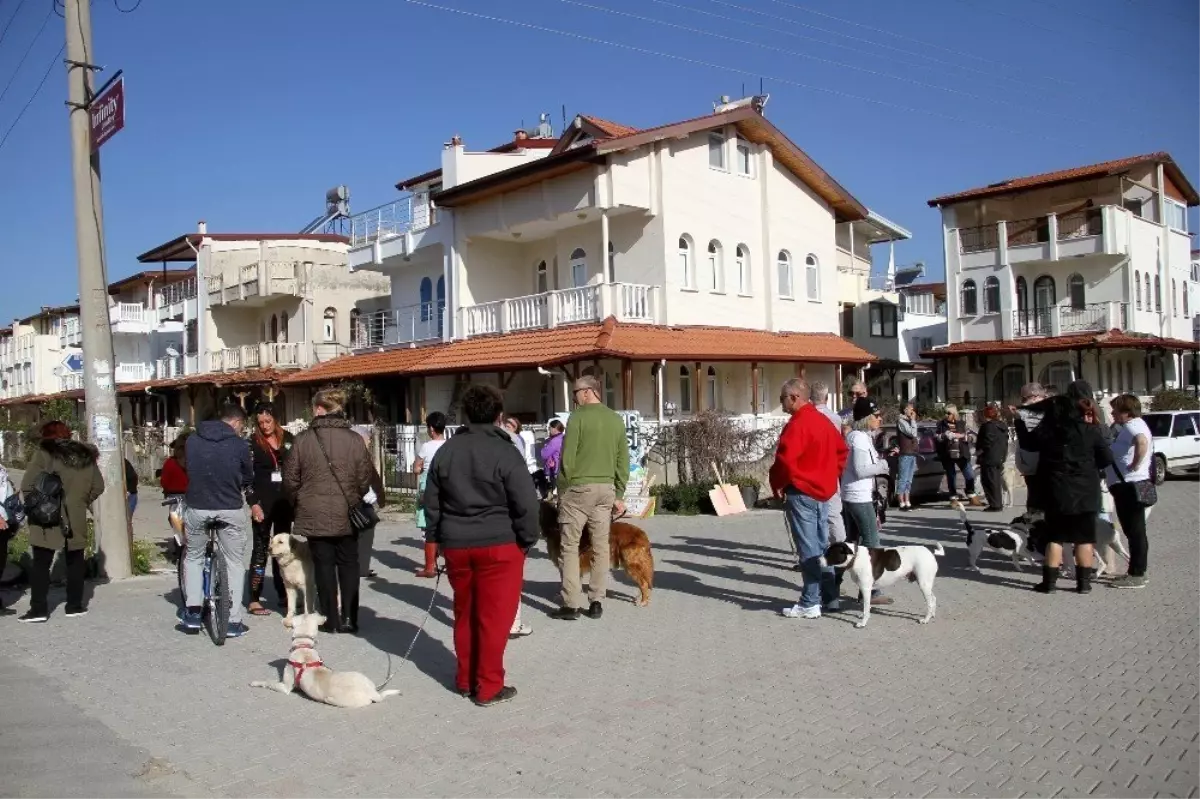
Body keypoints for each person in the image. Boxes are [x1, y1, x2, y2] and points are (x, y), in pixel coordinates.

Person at [422, 384, 540, 707]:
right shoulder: (505, 451)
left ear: (465, 414)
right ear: (499, 416)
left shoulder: (447, 451)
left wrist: (434, 540)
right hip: (500, 544)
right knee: (494, 618)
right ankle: (487, 685)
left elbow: (430, 502)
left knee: (465, 612)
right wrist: (528, 538)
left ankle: (465, 678)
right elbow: (527, 502)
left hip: (458, 544)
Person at [283, 389, 373, 634]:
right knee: (349, 563)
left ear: (320, 409)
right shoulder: (355, 440)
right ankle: (350, 618)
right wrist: (353, 497)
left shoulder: (302, 440)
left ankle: (330, 619)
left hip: (315, 512)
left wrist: (300, 500)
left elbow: (290, 479)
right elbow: (364, 479)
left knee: (323, 564)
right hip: (348, 512)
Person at [1013, 380, 1113, 594]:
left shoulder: (1049, 434)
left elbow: (1028, 443)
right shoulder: (1091, 431)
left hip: (1057, 491)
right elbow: (1106, 459)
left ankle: (1049, 584)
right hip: (1086, 492)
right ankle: (1084, 584)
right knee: (1085, 539)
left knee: (1055, 538)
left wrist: (1023, 414)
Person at [552, 375, 630, 621]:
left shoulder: (578, 418)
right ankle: (596, 600)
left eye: (575, 392)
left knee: (570, 546)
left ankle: (571, 604)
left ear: (588, 392)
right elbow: (623, 460)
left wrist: (561, 489)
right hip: (606, 489)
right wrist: (619, 491)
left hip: (578, 489)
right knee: (600, 547)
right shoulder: (615, 419)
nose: (574, 398)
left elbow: (568, 459)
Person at [770, 378, 848, 620]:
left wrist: (778, 484)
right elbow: (841, 452)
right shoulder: (823, 421)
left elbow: (785, 461)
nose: (781, 403)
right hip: (822, 492)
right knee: (823, 546)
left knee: (808, 549)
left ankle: (809, 602)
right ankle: (829, 596)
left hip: (802, 491)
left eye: (782, 398)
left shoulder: (798, 424)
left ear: (794, 397)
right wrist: (829, 477)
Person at [178, 404, 259, 637]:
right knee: (234, 561)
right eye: (242, 426)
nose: (241, 431)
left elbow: (187, 467)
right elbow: (247, 476)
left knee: (193, 556)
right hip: (230, 509)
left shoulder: (193, 440)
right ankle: (233, 621)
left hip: (198, 507)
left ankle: (193, 613)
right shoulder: (239, 445)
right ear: (235, 422)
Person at [18, 421, 105, 623]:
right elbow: (98, 486)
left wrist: (41, 503)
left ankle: (38, 610)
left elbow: (27, 485)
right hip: (75, 515)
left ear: (46, 436)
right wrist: (80, 501)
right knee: (75, 561)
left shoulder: (44, 453)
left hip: (47, 516)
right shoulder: (85, 456)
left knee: (41, 562)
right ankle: (74, 606)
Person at [841, 397, 895, 606]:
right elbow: (861, 469)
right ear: (865, 418)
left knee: (850, 544)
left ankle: (831, 585)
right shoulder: (859, 439)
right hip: (859, 497)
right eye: (876, 415)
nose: (880, 419)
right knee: (872, 544)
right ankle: (871, 592)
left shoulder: (860, 436)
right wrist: (884, 464)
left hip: (854, 496)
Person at [246, 403, 294, 616]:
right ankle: (254, 597)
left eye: (268, 421)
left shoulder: (289, 439)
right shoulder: (252, 443)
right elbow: (246, 476)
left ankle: (283, 592)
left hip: (284, 502)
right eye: (261, 423)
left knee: (284, 548)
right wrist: (253, 502)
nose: (265, 426)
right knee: (260, 548)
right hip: (262, 503)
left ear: (276, 419)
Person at [1105, 394, 1154, 589]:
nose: (1113, 413)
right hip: (1129, 485)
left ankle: (1137, 574)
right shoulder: (1135, 424)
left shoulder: (1133, 425)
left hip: (1129, 486)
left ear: (1127, 412)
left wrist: (1135, 464)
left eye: (1116, 410)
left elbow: (1142, 442)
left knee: (1135, 532)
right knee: (1135, 531)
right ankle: (1136, 571)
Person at [807, 381, 847, 550]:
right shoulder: (835, 418)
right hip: (829, 469)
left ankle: (814, 551)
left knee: (811, 516)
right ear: (826, 397)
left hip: (810, 471)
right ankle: (840, 548)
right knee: (833, 513)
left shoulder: (806, 417)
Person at [413, 412, 448, 578]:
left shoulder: (427, 446)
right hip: (447, 486)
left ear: (432, 429)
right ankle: (448, 561)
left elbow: (416, 467)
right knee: (445, 522)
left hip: (428, 485)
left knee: (427, 523)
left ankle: (430, 566)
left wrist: (418, 468)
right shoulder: (449, 445)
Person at [354, 425, 387, 580]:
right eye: (367, 439)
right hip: (358, 500)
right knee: (363, 529)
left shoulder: (360, 453)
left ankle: (361, 567)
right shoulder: (357, 454)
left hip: (361, 499)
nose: (369, 442)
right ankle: (360, 567)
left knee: (366, 528)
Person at [1014, 383, 1048, 515]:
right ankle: (1036, 521)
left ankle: (1033, 518)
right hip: (1036, 457)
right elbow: (1038, 436)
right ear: (1034, 396)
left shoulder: (1023, 411)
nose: (1045, 398)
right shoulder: (1032, 412)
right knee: (1038, 493)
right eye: (1043, 396)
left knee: (1033, 491)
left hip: (1027, 457)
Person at [937, 405, 981, 505]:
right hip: (948, 454)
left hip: (962, 453)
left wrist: (967, 438)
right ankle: (953, 498)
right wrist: (944, 435)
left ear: (954, 414)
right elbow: (937, 437)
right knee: (951, 476)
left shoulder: (962, 423)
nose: (946, 415)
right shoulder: (941, 424)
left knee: (969, 474)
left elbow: (973, 436)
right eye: (945, 413)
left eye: (949, 413)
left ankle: (971, 496)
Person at [975, 405, 1010, 512]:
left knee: (988, 481)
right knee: (995, 481)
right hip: (999, 456)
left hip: (988, 457)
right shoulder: (1002, 425)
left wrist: (978, 452)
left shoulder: (988, 426)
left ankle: (995, 505)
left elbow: (987, 442)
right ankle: (997, 503)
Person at [895, 401, 919, 511]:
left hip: (912, 453)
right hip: (905, 453)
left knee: (909, 479)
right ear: (904, 409)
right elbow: (912, 433)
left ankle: (907, 501)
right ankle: (901, 502)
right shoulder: (901, 421)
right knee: (903, 479)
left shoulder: (909, 421)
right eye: (910, 408)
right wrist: (913, 420)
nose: (912, 411)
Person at [539, 419, 566, 495]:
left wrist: (545, 445)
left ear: (555, 429)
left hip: (555, 470)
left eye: (549, 428)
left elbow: (544, 454)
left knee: (555, 492)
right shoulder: (563, 438)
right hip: (562, 468)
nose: (549, 430)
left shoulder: (554, 441)